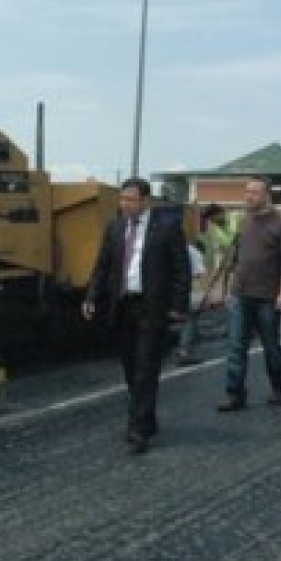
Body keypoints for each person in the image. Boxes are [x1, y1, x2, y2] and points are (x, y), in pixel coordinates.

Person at [83, 177, 190, 454]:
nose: (125, 204)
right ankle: (147, 417)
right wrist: (91, 296)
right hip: (123, 307)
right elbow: (103, 265)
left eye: (130, 200)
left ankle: (138, 429)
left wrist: (178, 305)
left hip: (152, 308)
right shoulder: (115, 228)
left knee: (146, 369)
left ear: (145, 201)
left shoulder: (166, 228)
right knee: (131, 369)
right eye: (122, 199)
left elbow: (181, 270)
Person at [217, 178, 281, 412]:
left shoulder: (280, 225)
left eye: (254, 192)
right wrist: (228, 291)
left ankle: (279, 387)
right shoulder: (243, 223)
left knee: (271, 346)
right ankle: (235, 394)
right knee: (235, 346)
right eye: (246, 191)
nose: (248, 196)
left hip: (268, 297)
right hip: (241, 295)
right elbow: (235, 260)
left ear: (266, 195)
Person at [174, 204, 233, 366]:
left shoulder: (161, 249)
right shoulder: (192, 252)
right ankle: (184, 351)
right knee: (190, 317)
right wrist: (209, 296)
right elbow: (200, 276)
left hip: (157, 293)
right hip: (179, 293)